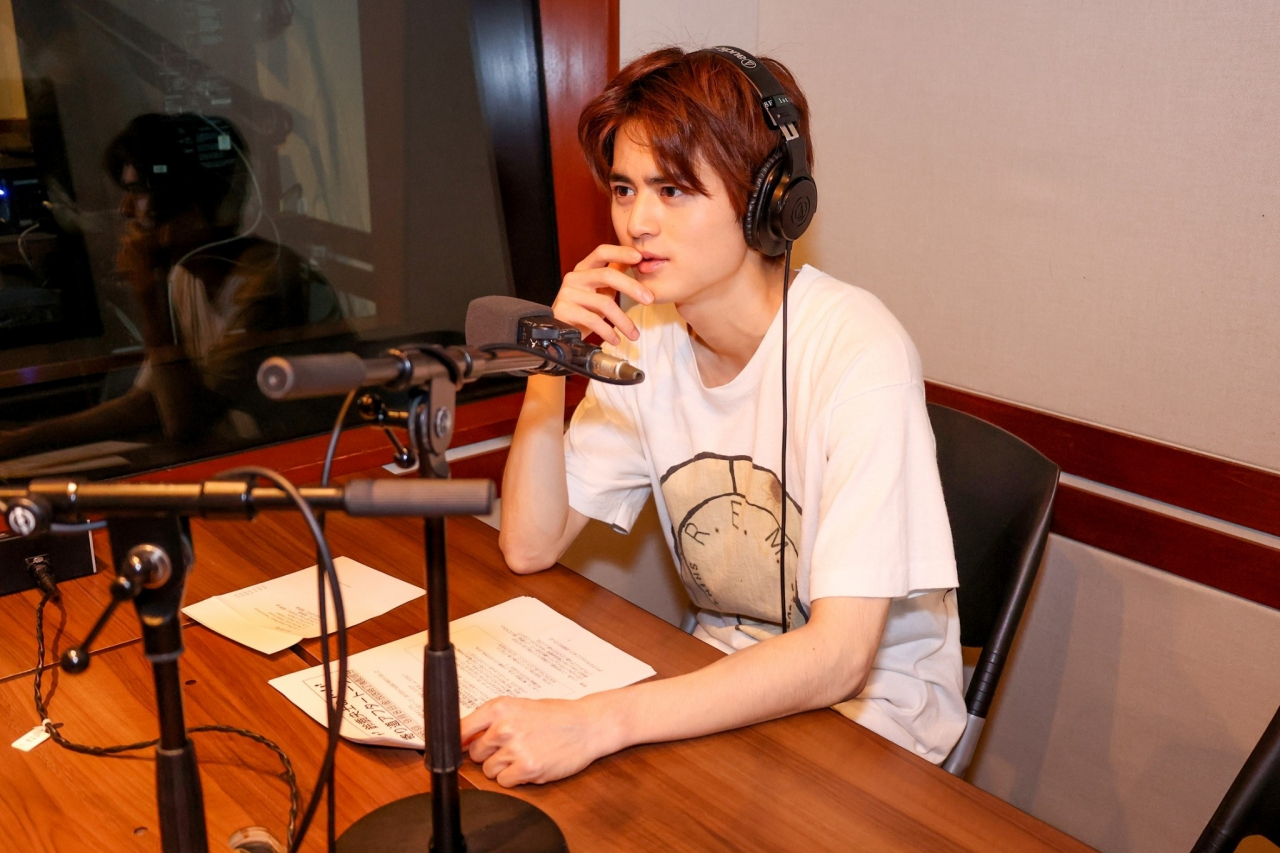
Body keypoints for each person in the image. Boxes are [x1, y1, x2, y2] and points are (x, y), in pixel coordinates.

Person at [461, 47, 965, 786]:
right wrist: (552, 359)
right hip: (720, 688)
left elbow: (840, 657)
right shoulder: (647, 334)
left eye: (672, 190)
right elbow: (531, 545)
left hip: (871, 727)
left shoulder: (859, 350)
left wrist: (602, 720)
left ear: (767, 200)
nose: (638, 222)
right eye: (625, 189)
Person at [0, 113, 347, 460]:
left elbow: (186, 424)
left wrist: (149, 296)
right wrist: (25, 439)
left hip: (308, 460)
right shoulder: (185, 275)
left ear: (189, 199)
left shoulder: (265, 283)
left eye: (138, 191)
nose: (125, 209)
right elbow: (148, 402)